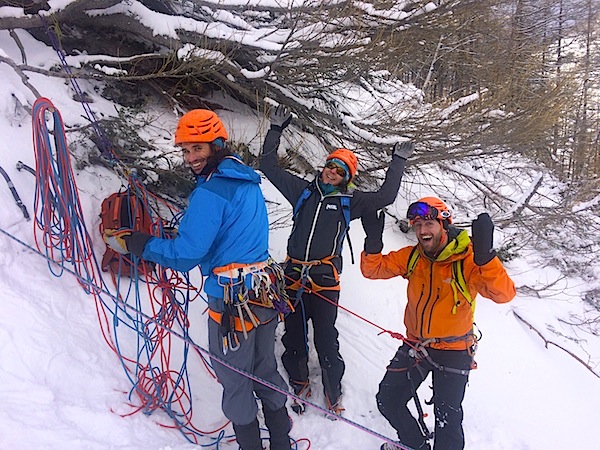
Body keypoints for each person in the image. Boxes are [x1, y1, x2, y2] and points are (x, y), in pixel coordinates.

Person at [103, 109, 292, 450]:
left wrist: (137, 242)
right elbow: (228, 236)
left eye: (197, 149)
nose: (190, 158)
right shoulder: (247, 181)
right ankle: (282, 442)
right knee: (264, 370)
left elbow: (185, 256)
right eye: (186, 150)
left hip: (232, 304)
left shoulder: (210, 192)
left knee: (236, 382)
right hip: (262, 294)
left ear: (217, 145)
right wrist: (186, 234)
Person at [259, 105, 414, 415]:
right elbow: (268, 167)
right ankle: (299, 382)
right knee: (294, 332)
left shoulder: (350, 201)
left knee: (327, 338)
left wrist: (397, 162)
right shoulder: (303, 191)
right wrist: (275, 130)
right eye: (331, 165)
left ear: (347, 178)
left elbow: (385, 197)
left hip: (325, 279)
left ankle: (333, 392)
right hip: (292, 275)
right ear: (324, 166)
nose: (333, 172)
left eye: (341, 171)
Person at [360, 197, 516, 450]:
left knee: (448, 420)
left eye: (429, 223)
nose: (422, 230)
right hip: (417, 345)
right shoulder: (414, 256)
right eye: (417, 224)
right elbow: (373, 270)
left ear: (445, 224)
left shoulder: (467, 260)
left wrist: (486, 258)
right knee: (388, 399)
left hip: (455, 351)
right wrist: (374, 242)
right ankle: (416, 445)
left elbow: (504, 294)